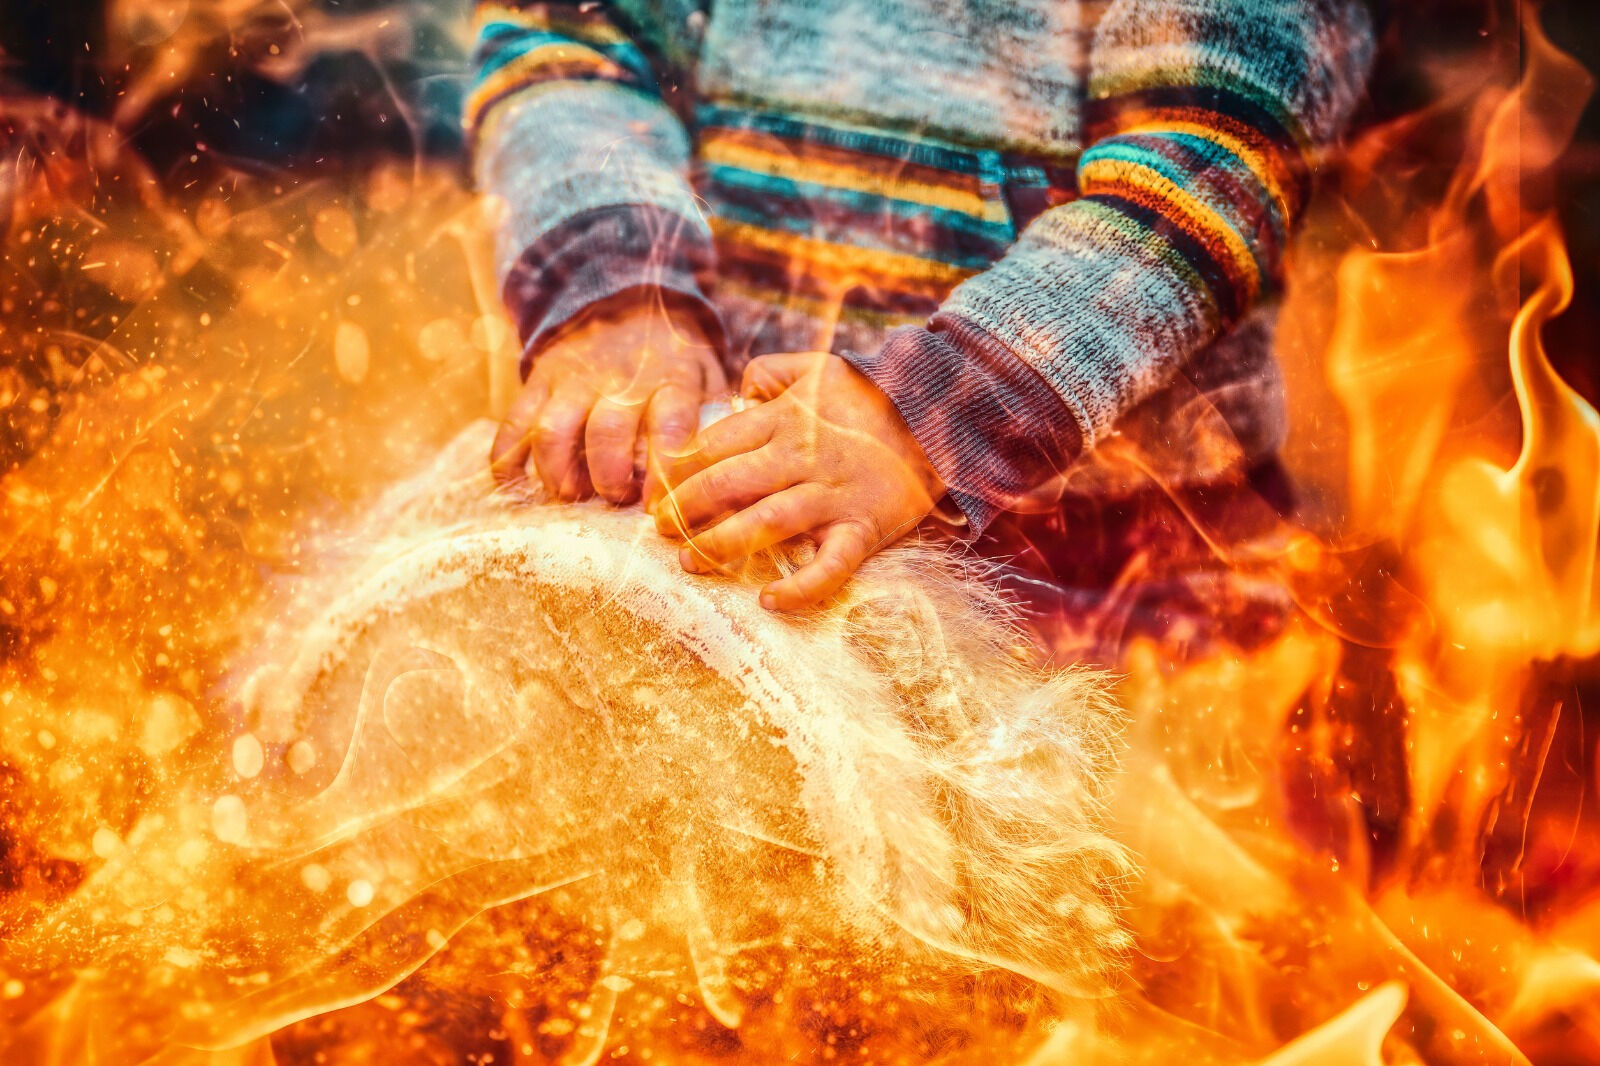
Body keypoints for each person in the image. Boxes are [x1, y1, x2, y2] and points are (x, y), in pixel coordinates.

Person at [475, 0, 1373, 654]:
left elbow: (1209, 163)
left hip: (1113, 588)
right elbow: (571, 37)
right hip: (757, 522)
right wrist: (622, 290)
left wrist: (933, 412)